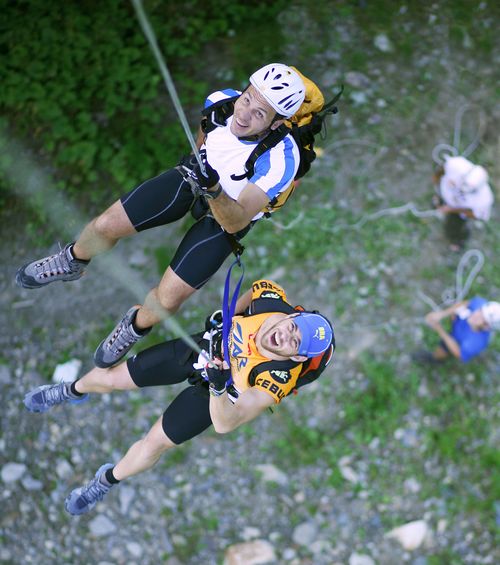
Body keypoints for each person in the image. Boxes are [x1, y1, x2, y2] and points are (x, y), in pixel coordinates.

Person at [16, 63, 306, 368]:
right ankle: (72, 260)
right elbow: (203, 141)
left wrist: (214, 188)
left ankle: (135, 326)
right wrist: (197, 169)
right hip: (198, 178)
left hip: (228, 212)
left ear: (275, 125)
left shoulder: (281, 159)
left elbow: (235, 221)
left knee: (167, 298)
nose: (244, 113)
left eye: (259, 113)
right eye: (247, 99)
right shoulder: (221, 102)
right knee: (104, 225)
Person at [23, 279, 335, 515]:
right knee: (114, 377)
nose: (286, 335)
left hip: (217, 396)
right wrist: (227, 315)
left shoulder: (276, 379)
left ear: (296, 359)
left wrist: (216, 386)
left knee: (154, 443)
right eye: (294, 327)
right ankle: (71, 390)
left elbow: (227, 423)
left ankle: (105, 481)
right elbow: (254, 291)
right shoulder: (271, 300)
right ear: (292, 316)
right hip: (199, 350)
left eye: (295, 343)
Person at [432, 155, 494, 250]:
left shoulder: (485, 199)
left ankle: (458, 241)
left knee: (453, 226)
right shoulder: (457, 165)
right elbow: (440, 171)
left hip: (459, 209)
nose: (463, 189)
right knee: (437, 203)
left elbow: (474, 214)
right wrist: (436, 188)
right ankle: (438, 205)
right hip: (446, 194)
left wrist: (451, 210)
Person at [413, 297, 500, 364]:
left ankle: (434, 359)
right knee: (456, 315)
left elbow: (459, 353)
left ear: (487, 327)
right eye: (480, 311)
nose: (476, 315)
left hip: (457, 338)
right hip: (458, 323)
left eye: (482, 318)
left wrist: (440, 330)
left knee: (442, 350)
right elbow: (466, 304)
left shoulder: (477, 342)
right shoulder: (479, 303)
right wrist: (441, 314)